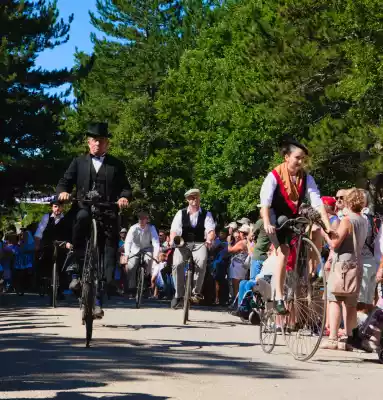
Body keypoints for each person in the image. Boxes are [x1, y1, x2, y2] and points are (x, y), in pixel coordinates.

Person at [57, 122, 132, 319]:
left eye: (101, 140)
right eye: (94, 140)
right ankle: (74, 268)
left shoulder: (117, 164)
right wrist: (63, 192)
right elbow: (64, 182)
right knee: (80, 219)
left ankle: (100, 295)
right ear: (89, 143)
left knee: (108, 247)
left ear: (107, 143)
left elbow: (126, 188)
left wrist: (124, 198)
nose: (97, 144)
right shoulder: (78, 162)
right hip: (84, 208)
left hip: (107, 211)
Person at [260, 139, 332, 314]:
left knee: (309, 226)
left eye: (303, 159)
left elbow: (317, 203)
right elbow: (265, 204)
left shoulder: (306, 178)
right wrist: (267, 223)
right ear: (287, 157)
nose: (301, 162)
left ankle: (310, 270)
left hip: (293, 217)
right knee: (283, 252)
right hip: (275, 217)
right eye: (297, 158)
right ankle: (278, 297)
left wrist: (328, 227)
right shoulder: (274, 176)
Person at [321, 188, 368, 351]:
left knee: (334, 299)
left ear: (348, 201)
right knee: (351, 304)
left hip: (343, 265)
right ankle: (350, 338)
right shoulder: (363, 220)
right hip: (357, 264)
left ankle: (333, 338)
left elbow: (335, 244)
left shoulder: (347, 220)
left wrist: (326, 234)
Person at [170, 188, 216, 309]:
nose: (194, 199)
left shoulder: (206, 214)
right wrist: (173, 240)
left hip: (200, 243)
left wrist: (209, 239)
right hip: (183, 243)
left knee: (202, 262)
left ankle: (196, 292)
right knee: (177, 264)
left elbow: (210, 230)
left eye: (196, 197)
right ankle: (179, 295)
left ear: (199, 198)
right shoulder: (181, 213)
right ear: (187, 200)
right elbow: (174, 230)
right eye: (191, 197)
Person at [34, 198, 73, 298]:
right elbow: (39, 232)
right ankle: (44, 281)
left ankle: (59, 288)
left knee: (64, 265)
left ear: (62, 208)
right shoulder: (46, 217)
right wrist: (37, 245)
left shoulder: (67, 219)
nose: (57, 209)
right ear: (52, 207)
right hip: (48, 244)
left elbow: (69, 234)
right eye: (55, 206)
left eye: (60, 206)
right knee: (43, 261)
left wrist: (68, 243)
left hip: (62, 245)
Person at [233, 219, 271, 317]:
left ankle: (245, 309)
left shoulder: (261, 222)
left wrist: (250, 241)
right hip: (263, 260)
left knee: (251, 283)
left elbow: (251, 250)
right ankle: (242, 309)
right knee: (243, 283)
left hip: (260, 261)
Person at [124, 210, 160, 295]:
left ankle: (147, 279)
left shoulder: (151, 228)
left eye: (143, 219)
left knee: (149, 261)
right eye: (140, 218)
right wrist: (126, 254)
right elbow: (128, 241)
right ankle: (132, 288)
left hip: (147, 249)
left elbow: (156, 242)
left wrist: (156, 255)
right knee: (131, 266)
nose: (141, 220)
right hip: (135, 249)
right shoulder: (133, 228)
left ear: (147, 220)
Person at [228, 224, 250, 298]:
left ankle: (236, 300)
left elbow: (230, 250)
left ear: (243, 233)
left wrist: (228, 242)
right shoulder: (248, 242)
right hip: (243, 265)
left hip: (238, 266)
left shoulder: (242, 243)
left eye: (240, 232)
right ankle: (240, 300)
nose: (239, 233)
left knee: (236, 284)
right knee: (241, 284)